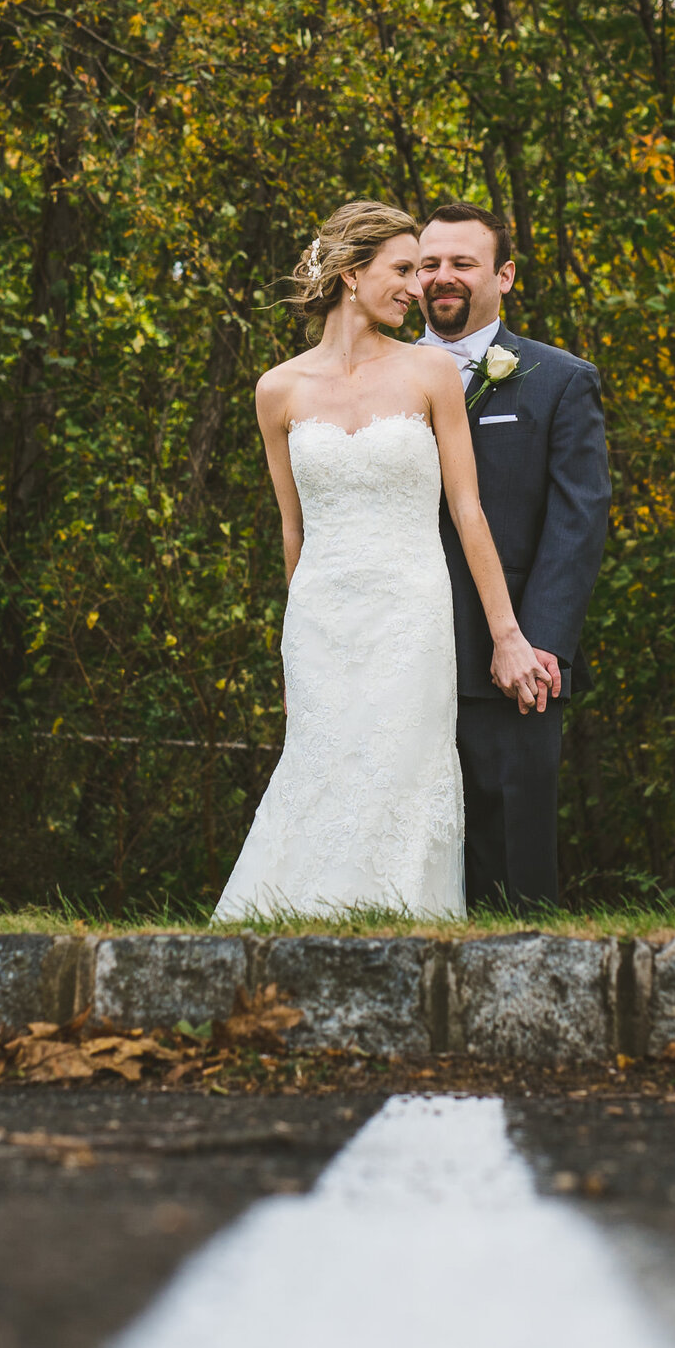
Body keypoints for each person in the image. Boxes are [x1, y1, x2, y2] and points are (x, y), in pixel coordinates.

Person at [212, 202, 548, 922]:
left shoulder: (430, 371)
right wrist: (295, 633)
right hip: (322, 617)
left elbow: (468, 512)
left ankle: (403, 931)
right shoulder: (278, 389)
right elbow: (291, 528)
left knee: (401, 775)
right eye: (403, 270)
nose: (417, 287)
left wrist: (506, 632)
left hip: (410, 612)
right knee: (321, 771)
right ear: (350, 273)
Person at [417, 203, 611, 910]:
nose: (442, 277)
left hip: (511, 660)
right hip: (399, 655)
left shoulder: (559, 380)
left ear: (503, 274)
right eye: (428, 263)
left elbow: (577, 521)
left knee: (514, 876)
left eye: (462, 263)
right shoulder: (378, 379)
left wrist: (535, 645)